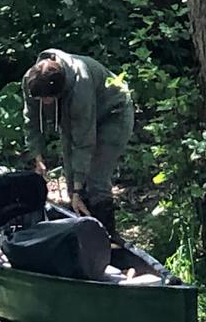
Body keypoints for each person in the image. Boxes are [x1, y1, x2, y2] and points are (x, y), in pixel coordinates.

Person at [22, 48, 134, 237]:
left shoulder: (80, 85)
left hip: (113, 114)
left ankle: (107, 236)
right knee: (71, 177)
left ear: (60, 90)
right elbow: (31, 119)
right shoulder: (32, 80)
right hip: (75, 116)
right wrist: (37, 155)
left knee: (95, 179)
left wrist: (78, 189)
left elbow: (84, 141)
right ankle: (82, 234)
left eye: (49, 99)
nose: (45, 102)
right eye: (41, 99)